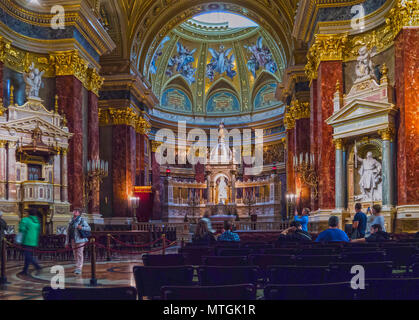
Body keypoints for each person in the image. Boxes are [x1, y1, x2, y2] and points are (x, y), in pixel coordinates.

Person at [65, 210, 91, 275]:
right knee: (75, 254)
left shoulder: (82, 220)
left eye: (77, 211)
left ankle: (79, 268)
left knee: (79, 254)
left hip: (80, 239)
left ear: (79, 213)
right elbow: (68, 232)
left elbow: (89, 228)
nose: (75, 212)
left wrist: (81, 227)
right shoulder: (71, 221)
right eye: (74, 211)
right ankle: (77, 266)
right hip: (73, 239)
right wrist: (66, 242)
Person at [18, 209, 41, 275]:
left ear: (28, 213)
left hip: (26, 240)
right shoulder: (37, 221)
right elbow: (38, 232)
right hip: (34, 241)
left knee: (28, 256)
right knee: (28, 256)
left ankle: (37, 266)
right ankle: (25, 270)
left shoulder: (25, 220)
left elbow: (21, 229)